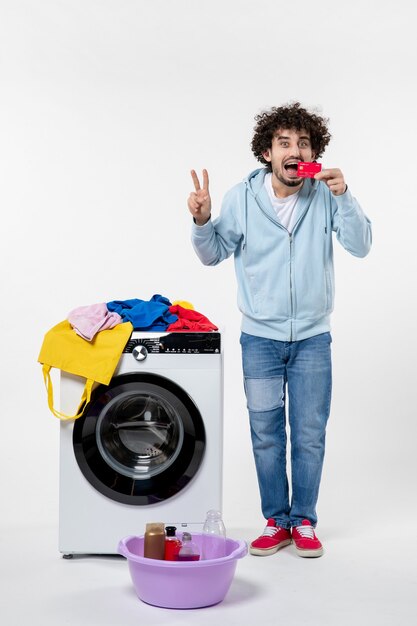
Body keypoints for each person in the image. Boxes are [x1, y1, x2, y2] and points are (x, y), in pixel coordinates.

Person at [187, 102, 372, 558]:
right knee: (266, 432)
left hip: (312, 338)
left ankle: (303, 521)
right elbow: (212, 254)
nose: (295, 150)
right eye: (284, 143)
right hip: (260, 340)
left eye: (303, 143)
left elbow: (361, 245)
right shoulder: (240, 198)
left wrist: (345, 194)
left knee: (309, 432)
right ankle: (276, 521)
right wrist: (201, 220)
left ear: (313, 152)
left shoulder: (325, 194)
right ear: (267, 153)